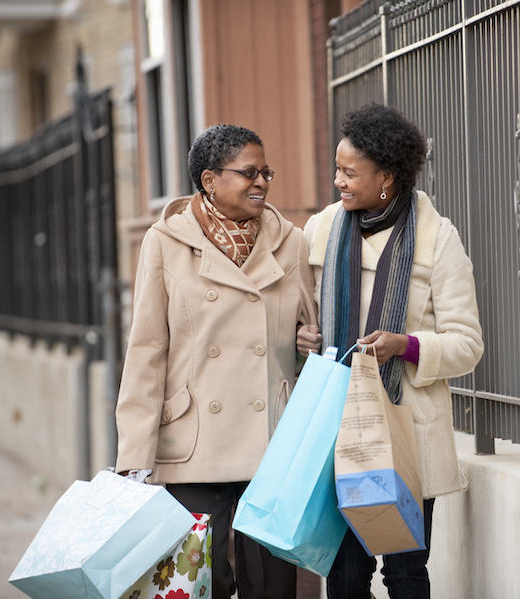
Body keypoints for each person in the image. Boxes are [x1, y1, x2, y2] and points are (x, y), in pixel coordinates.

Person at [115, 124, 316, 599]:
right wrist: (134, 456)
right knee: (199, 581)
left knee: (271, 585)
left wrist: (304, 340)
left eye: (266, 172)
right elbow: (147, 350)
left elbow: (310, 329)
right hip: (193, 441)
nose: (262, 182)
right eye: (249, 172)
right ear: (209, 180)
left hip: (270, 439)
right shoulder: (165, 241)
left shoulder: (292, 242)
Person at [297, 104, 484, 598]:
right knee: (345, 575)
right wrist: (305, 339)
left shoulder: (438, 238)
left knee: (404, 573)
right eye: (336, 168)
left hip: (407, 433)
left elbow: (468, 344)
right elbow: (300, 319)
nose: (337, 180)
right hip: (339, 429)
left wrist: (407, 346)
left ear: (387, 177)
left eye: (348, 172)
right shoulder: (321, 230)